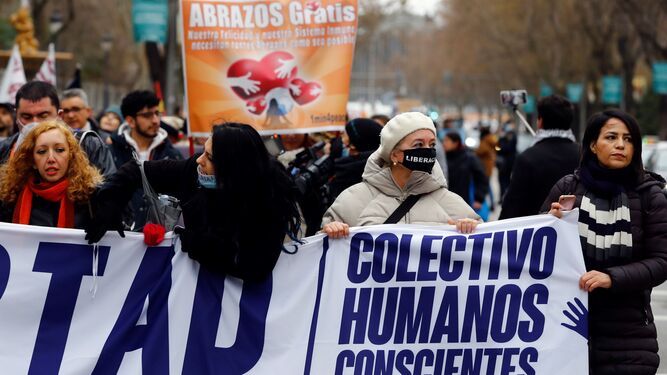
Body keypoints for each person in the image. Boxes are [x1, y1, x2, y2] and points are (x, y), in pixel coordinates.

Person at [85, 122, 301, 282]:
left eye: (209, 157)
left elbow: (255, 269)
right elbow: (137, 170)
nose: (200, 160)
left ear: (233, 168)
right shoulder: (193, 170)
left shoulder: (270, 200)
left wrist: (193, 240)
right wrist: (111, 202)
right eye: (203, 151)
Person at [543, 109, 667, 375]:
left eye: (629, 139)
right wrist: (549, 223)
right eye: (611, 137)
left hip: (629, 337)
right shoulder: (567, 188)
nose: (621, 145)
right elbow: (532, 253)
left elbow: (661, 261)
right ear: (592, 144)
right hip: (564, 331)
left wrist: (612, 278)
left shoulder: (651, 196)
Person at [322, 112, 481, 238]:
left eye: (431, 144)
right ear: (394, 155)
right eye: (418, 144)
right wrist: (330, 231)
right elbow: (321, 254)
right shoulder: (353, 199)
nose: (428, 150)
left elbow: (483, 249)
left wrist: (472, 229)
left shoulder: (450, 202)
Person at [0, 81, 117, 178]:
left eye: (43, 116)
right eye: (27, 117)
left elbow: (109, 197)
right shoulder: (4, 150)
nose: (35, 123)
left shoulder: (89, 146)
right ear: (16, 116)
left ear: (59, 116)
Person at [0, 120, 103, 228]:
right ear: (32, 161)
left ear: (71, 156)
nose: (51, 158)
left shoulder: (91, 196)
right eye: (41, 151)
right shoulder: (11, 196)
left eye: (59, 150)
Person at [109, 90, 183, 230]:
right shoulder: (111, 153)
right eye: (147, 115)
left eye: (157, 113)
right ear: (130, 121)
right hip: (120, 240)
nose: (155, 120)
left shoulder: (174, 155)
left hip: (162, 243)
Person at [499, 95, 579, 219]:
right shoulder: (584, 154)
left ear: (540, 121)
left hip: (536, 235)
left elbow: (512, 206)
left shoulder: (527, 158)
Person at [328, 118, 382, 199]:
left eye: (343, 136)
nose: (340, 140)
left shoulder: (349, 176)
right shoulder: (351, 170)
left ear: (353, 145)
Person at [443, 132, 489, 215]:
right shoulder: (442, 158)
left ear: (455, 143)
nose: (444, 143)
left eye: (447, 141)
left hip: (466, 203)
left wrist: (479, 199)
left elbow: (482, 178)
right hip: (447, 202)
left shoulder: (469, 158)